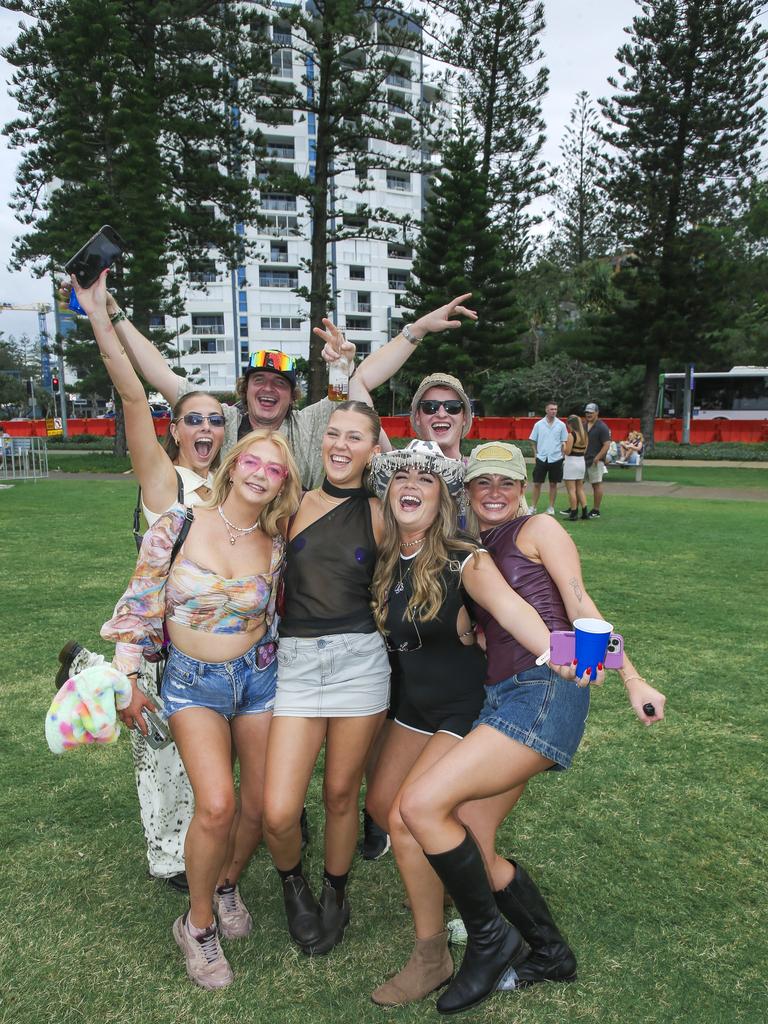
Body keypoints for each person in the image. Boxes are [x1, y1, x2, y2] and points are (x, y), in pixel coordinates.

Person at [386, 442, 664, 1013]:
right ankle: (550, 952)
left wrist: (634, 680)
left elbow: (580, 605)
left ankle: (489, 944)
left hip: (543, 690)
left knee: (420, 805)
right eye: (482, 482)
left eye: (506, 483)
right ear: (466, 489)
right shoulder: (470, 546)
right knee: (473, 842)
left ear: (523, 488)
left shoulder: (538, 530)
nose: (493, 493)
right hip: (504, 693)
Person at [364, 440, 585, 1009]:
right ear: (388, 493)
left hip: (493, 704)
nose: (411, 486)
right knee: (442, 833)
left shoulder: (467, 557)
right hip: (439, 704)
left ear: (443, 498)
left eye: (426, 479)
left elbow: (522, 613)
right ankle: (550, 952)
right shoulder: (391, 553)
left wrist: (568, 657)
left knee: (413, 812)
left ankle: (460, 946)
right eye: (400, 478)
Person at [102, 431, 302, 990]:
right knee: (217, 806)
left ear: (283, 483)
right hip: (193, 685)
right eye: (253, 462)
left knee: (260, 808)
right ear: (233, 467)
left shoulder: (277, 539)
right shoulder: (179, 522)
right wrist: (128, 679)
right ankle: (197, 925)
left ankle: (225, 883)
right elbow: (140, 600)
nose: (262, 473)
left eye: (276, 469)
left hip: (260, 681)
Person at [56, 268, 228, 891]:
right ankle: (167, 857)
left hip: (216, 646)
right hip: (158, 637)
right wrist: (101, 316)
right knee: (156, 746)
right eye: (193, 421)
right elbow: (134, 396)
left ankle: (82, 670)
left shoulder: (238, 487)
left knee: (200, 755)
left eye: (214, 421)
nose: (205, 430)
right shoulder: (163, 482)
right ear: (175, 431)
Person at [262, 401, 391, 955]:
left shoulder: (383, 512)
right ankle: (293, 883)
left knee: (341, 792)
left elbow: (416, 574)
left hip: (360, 662)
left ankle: (336, 891)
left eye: (355, 437)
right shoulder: (292, 503)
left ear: (372, 448)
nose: (340, 445)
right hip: (294, 663)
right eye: (333, 434)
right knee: (278, 809)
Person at [528, 401, 567, 515]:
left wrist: (562, 455)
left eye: (555, 409)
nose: (553, 411)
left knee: (553, 484)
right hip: (542, 457)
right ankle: (533, 506)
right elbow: (533, 440)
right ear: (546, 410)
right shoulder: (539, 424)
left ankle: (551, 507)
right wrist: (535, 453)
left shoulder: (561, 425)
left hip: (556, 458)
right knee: (537, 483)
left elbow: (563, 441)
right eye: (551, 409)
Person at [583, 402, 611, 519]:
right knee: (578, 484)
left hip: (595, 460)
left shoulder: (602, 427)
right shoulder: (583, 425)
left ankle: (596, 510)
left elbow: (607, 444)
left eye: (591, 412)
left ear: (597, 413)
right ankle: (575, 507)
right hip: (583, 460)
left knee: (596, 484)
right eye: (587, 412)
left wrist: (598, 457)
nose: (588, 414)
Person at [559, 413, 589, 521]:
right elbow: (585, 450)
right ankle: (585, 512)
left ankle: (574, 512)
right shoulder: (584, 434)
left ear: (571, 424)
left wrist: (564, 446)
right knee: (580, 488)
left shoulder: (571, 435)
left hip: (571, 462)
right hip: (581, 461)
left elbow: (567, 451)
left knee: (571, 490)